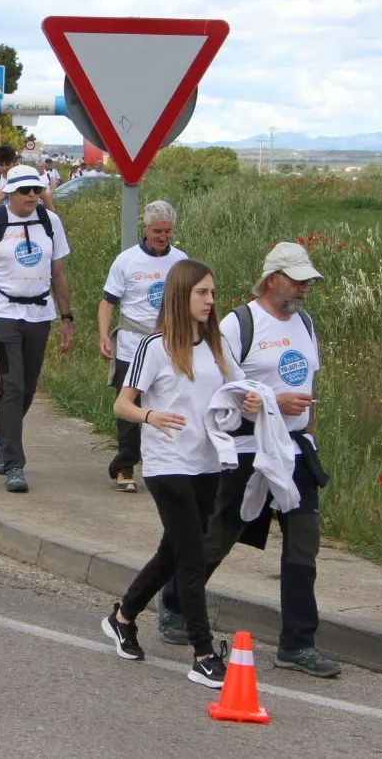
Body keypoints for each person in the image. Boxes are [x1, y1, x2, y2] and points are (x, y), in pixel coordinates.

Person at [100, 260, 256, 689]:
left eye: (212, 293)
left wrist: (254, 405)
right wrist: (150, 415)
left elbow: (239, 391)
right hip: (167, 466)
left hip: (207, 463)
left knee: (173, 552)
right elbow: (123, 404)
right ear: (181, 296)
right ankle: (203, 654)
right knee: (192, 557)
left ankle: (123, 617)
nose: (210, 301)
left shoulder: (217, 345)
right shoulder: (155, 347)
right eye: (201, 293)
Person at [199, 241, 340, 678]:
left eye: (308, 282)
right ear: (272, 278)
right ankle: (175, 604)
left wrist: (309, 435)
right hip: (246, 449)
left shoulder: (307, 324)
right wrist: (270, 401)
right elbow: (216, 393)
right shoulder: (238, 324)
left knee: (303, 542)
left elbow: (309, 390)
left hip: (293, 450)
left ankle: (297, 643)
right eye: (297, 281)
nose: (304, 290)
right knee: (221, 533)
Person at [0, 165, 74, 493]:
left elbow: (59, 273)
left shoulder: (51, 222)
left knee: (29, 387)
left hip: (40, 312)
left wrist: (66, 318)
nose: (32, 196)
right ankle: (14, 463)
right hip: (3, 311)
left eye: (36, 190)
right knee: (13, 383)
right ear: (9, 192)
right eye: (25, 191)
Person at [98, 201, 189, 493]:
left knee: (167, 407)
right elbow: (107, 302)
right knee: (130, 410)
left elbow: (191, 302)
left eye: (168, 232)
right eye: (157, 231)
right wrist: (103, 334)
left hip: (168, 347)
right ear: (145, 227)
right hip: (131, 347)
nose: (163, 237)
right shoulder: (127, 261)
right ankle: (125, 466)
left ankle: (167, 467)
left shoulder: (180, 261)